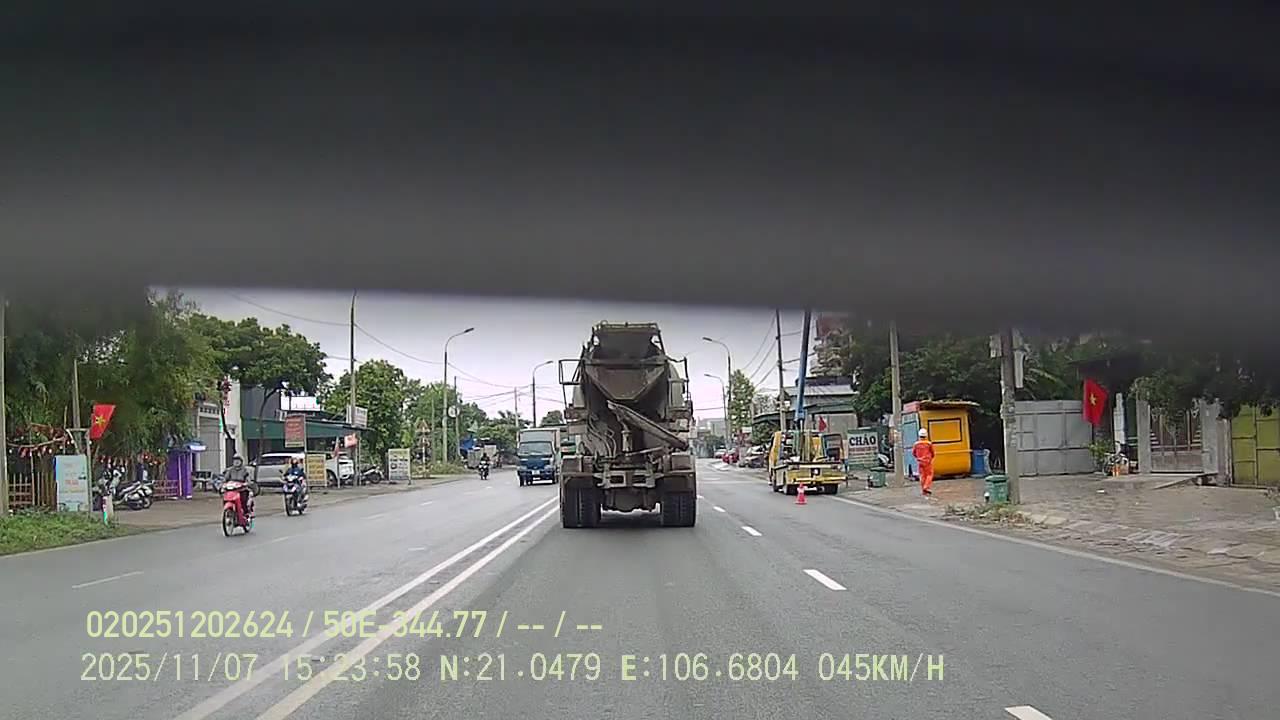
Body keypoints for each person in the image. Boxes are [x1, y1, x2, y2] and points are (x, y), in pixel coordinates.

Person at [912, 427, 935, 496]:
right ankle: (926, 487)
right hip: (927, 461)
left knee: (922, 476)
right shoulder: (929, 443)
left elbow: (913, 453)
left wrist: (918, 458)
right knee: (929, 474)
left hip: (920, 462)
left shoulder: (916, 444)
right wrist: (931, 458)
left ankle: (923, 490)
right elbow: (932, 453)